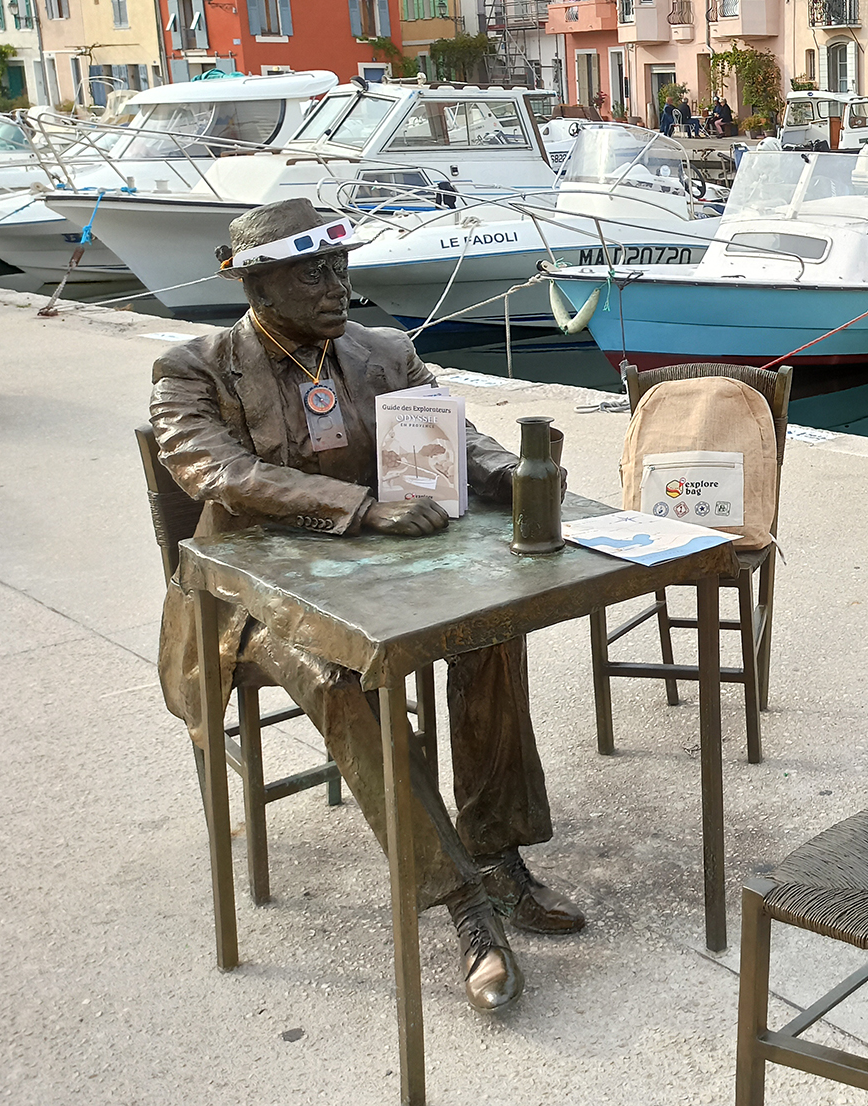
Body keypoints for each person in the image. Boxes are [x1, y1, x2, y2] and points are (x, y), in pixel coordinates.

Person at [149, 199, 585, 1017]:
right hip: (249, 601)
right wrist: (356, 504)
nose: (335, 283)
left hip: (384, 576)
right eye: (312, 271)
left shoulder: (385, 350)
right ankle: (463, 905)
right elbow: (212, 470)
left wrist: (499, 471)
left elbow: (455, 434)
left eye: (340, 266)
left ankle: (496, 850)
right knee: (341, 677)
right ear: (258, 283)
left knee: (488, 633)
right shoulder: (195, 368)